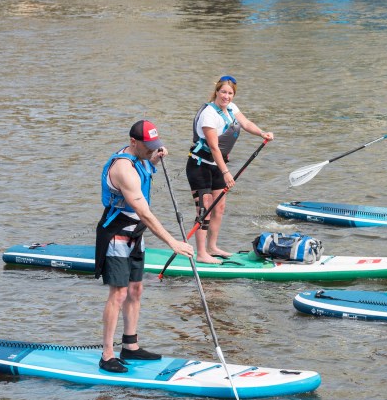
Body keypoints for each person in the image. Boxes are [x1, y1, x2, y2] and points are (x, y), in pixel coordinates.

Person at [95, 120, 195, 373]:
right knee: (118, 293)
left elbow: (146, 169)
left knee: (136, 290)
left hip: (136, 234)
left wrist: (155, 159)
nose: (152, 149)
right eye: (148, 146)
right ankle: (107, 355)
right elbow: (145, 212)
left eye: (155, 145)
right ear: (133, 142)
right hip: (117, 234)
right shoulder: (123, 169)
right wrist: (172, 242)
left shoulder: (140, 159)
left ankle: (131, 346)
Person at [185, 75, 273, 262]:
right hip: (200, 167)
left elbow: (246, 123)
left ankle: (212, 247)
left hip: (217, 165)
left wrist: (261, 133)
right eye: (223, 92)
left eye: (230, 93)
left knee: (220, 207)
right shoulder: (209, 114)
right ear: (216, 91)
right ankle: (201, 254)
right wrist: (226, 173)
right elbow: (214, 147)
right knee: (204, 210)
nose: (226, 96)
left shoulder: (231, 108)